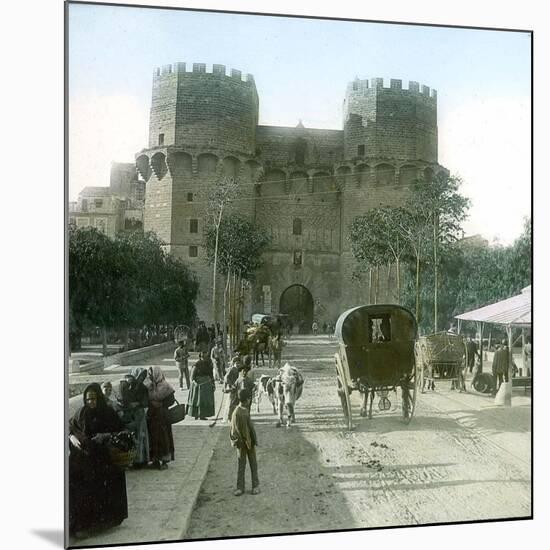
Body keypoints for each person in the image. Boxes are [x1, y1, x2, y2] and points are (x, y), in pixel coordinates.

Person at [68, 383, 128, 537]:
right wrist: (72, 438)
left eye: (94, 399)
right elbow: (70, 428)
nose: (91, 402)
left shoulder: (107, 413)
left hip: (103, 456)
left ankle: (101, 523)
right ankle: (80, 525)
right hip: (82, 456)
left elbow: (122, 430)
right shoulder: (81, 413)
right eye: (88, 399)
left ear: (99, 398)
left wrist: (105, 436)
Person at [230, 389, 260, 496]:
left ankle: (252, 486)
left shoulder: (242, 410)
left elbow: (249, 427)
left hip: (248, 442)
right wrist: (242, 441)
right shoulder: (238, 413)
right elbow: (236, 430)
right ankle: (243, 487)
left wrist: (253, 440)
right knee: (244, 465)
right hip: (243, 444)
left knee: (250, 464)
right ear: (247, 400)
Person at [144, 366, 175, 469]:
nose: (150, 376)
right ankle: (155, 461)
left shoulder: (165, 386)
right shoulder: (150, 386)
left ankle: (165, 461)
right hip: (153, 416)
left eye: (151, 374)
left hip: (162, 417)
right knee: (153, 438)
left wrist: (161, 404)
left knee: (164, 438)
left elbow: (171, 400)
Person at [126, 367, 150, 468]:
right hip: (130, 415)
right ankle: (131, 460)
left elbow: (145, 402)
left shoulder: (143, 388)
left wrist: (137, 404)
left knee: (141, 435)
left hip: (139, 414)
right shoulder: (127, 387)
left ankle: (141, 459)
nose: (141, 379)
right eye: (140, 376)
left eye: (143, 377)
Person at [187, 352, 216, 420]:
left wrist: (213, 384)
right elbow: (192, 377)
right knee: (197, 400)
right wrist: (194, 382)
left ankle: (202, 415)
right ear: (200, 357)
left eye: (205, 357)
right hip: (198, 385)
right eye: (203, 357)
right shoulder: (196, 365)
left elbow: (211, 376)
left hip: (207, 385)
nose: (204, 358)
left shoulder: (209, 365)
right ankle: (196, 414)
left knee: (205, 401)